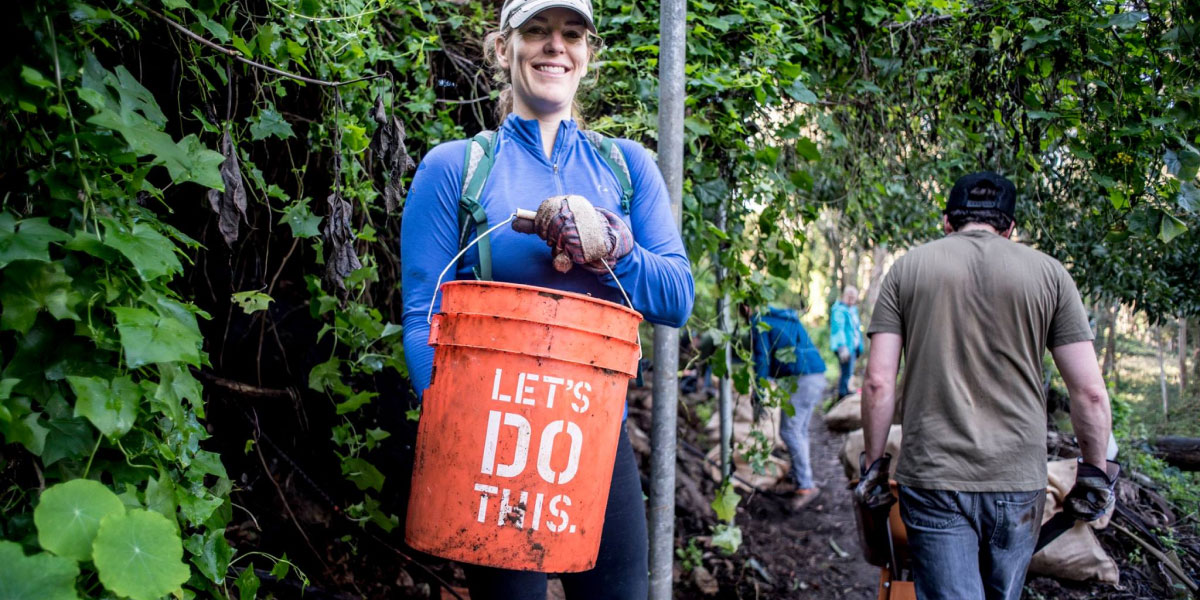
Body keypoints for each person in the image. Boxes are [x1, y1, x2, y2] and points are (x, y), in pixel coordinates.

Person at [399, 0, 694, 596]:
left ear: (588, 55)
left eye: (570, 34)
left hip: (595, 435)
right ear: (503, 49)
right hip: (492, 442)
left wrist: (615, 248)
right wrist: (458, 439)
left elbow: (677, 298)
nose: (554, 46)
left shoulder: (626, 167)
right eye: (535, 31)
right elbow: (420, 316)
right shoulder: (457, 168)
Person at [855, 172, 1116, 600]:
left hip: (934, 477)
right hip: (1018, 481)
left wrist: (874, 466)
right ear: (1010, 228)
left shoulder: (908, 268)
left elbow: (878, 383)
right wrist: (1094, 471)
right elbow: (1089, 391)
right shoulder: (1051, 274)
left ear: (946, 222)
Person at [743, 303, 827, 510]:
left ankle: (806, 486)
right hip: (816, 374)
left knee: (789, 431)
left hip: (801, 378)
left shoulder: (759, 321)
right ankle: (800, 477)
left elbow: (761, 357)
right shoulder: (784, 316)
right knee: (799, 430)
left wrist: (759, 392)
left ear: (746, 307)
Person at [829, 285, 863, 399]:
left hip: (853, 347)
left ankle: (845, 391)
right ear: (844, 295)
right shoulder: (839, 309)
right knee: (846, 371)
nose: (852, 299)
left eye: (854, 297)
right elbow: (838, 328)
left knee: (848, 371)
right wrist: (842, 346)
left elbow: (856, 329)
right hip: (845, 347)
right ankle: (842, 394)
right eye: (850, 296)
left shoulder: (853, 310)